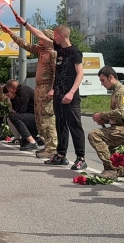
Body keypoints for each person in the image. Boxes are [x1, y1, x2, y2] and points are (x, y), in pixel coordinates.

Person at [19, 19, 85, 169]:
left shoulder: (74, 52)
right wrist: (25, 23)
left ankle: (81, 158)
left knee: (75, 126)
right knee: (60, 125)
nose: (53, 38)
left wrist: (71, 92)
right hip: (59, 95)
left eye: (55, 35)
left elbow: (80, 73)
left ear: (62, 35)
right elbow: (40, 36)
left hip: (70, 96)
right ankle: (61, 155)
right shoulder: (58, 49)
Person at [0, 20, 58, 158]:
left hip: (48, 87)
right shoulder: (40, 50)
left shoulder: (53, 53)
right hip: (39, 88)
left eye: (42, 37)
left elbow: (56, 73)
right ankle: (46, 145)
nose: (38, 39)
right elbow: (23, 44)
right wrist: (9, 33)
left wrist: (53, 89)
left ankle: (53, 147)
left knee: (47, 118)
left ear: (47, 39)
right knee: (39, 119)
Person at [88, 66, 124, 180]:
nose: (102, 84)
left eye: (103, 80)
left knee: (94, 135)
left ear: (111, 77)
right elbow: (120, 116)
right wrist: (105, 120)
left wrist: (101, 115)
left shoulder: (122, 92)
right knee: (119, 168)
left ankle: (110, 169)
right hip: (121, 129)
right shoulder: (116, 92)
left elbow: (122, 113)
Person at [3, 79, 41, 151]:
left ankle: (32, 141)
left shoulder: (23, 92)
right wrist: (13, 99)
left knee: (13, 116)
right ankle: (36, 139)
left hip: (37, 117)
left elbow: (21, 110)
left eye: (9, 91)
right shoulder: (21, 91)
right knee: (23, 144)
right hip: (33, 116)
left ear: (11, 88)